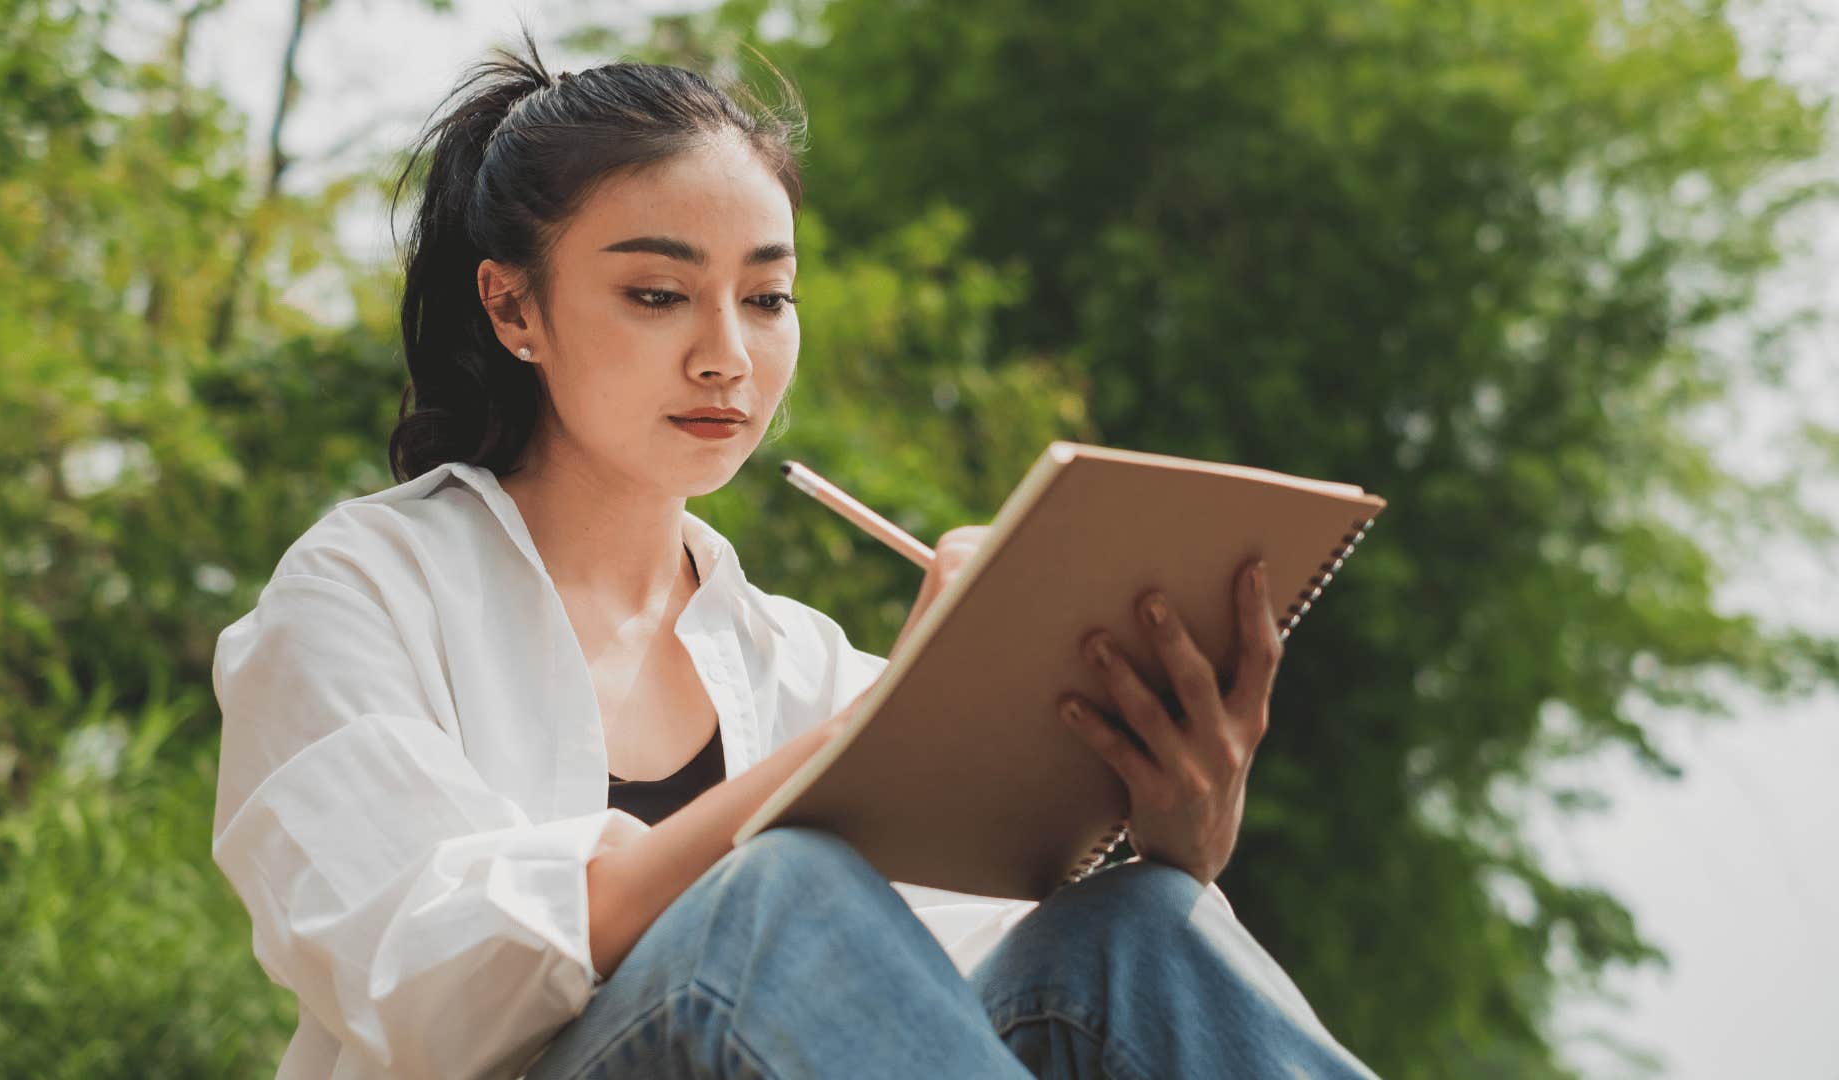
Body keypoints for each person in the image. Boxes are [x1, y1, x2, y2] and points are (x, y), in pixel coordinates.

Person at [208, 29, 1381, 1080]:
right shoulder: (362, 590)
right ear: (515, 311)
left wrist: (1174, 840)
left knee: (1135, 930)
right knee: (780, 895)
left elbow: (964, 997)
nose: (728, 356)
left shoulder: (799, 663)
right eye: (661, 293)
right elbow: (418, 989)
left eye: (767, 298)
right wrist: (871, 737)